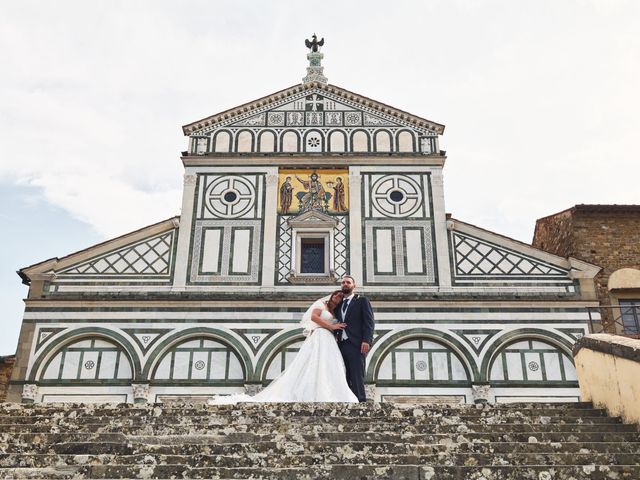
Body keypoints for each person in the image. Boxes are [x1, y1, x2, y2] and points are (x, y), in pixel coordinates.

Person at [208, 290, 358, 404]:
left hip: (329, 339)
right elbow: (314, 317)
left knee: (329, 365)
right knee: (313, 362)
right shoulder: (321, 305)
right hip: (319, 335)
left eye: (340, 297)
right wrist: (332, 327)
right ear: (331, 296)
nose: (337, 298)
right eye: (335, 296)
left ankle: (329, 392)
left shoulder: (336, 311)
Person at [334, 276, 375, 402]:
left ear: (354, 285)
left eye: (348, 282)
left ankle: (361, 402)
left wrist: (366, 340)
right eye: (343, 282)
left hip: (357, 343)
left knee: (357, 374)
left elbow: (369, 322)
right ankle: (347, 401)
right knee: (344, 373)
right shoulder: (338, 305)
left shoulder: (362, 301)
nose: (345, 284)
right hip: (341, 344)